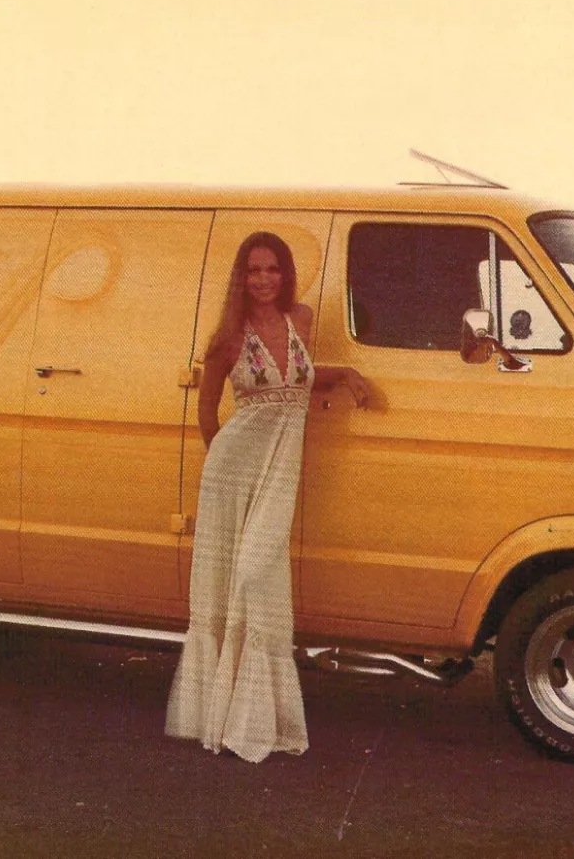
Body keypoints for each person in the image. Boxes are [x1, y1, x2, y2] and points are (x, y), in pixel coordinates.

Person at [164, 231, 369, 763]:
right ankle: (229, 713)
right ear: (242, 276)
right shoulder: (228, 337)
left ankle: (254, 716)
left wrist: (344, 374)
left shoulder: (301, 318)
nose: (263, 279)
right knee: (241, 578)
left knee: (258, 573)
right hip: (234, 471)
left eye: (272, 269)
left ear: (285, 274)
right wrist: (223, 463)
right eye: (253, 270)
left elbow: (297, 379)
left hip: (280, 472)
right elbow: (207, 410)